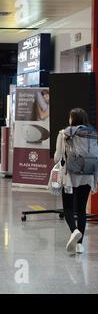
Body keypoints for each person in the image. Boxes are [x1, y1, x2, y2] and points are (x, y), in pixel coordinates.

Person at [54, 108, 98, 254]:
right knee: (81, 210)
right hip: (87, 175)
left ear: (72, 119)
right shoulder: (92, 134)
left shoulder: (64, 133)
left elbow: (57, 157)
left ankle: (74, 231)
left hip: (70, 176)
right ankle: (79, 245)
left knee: (67, 207)